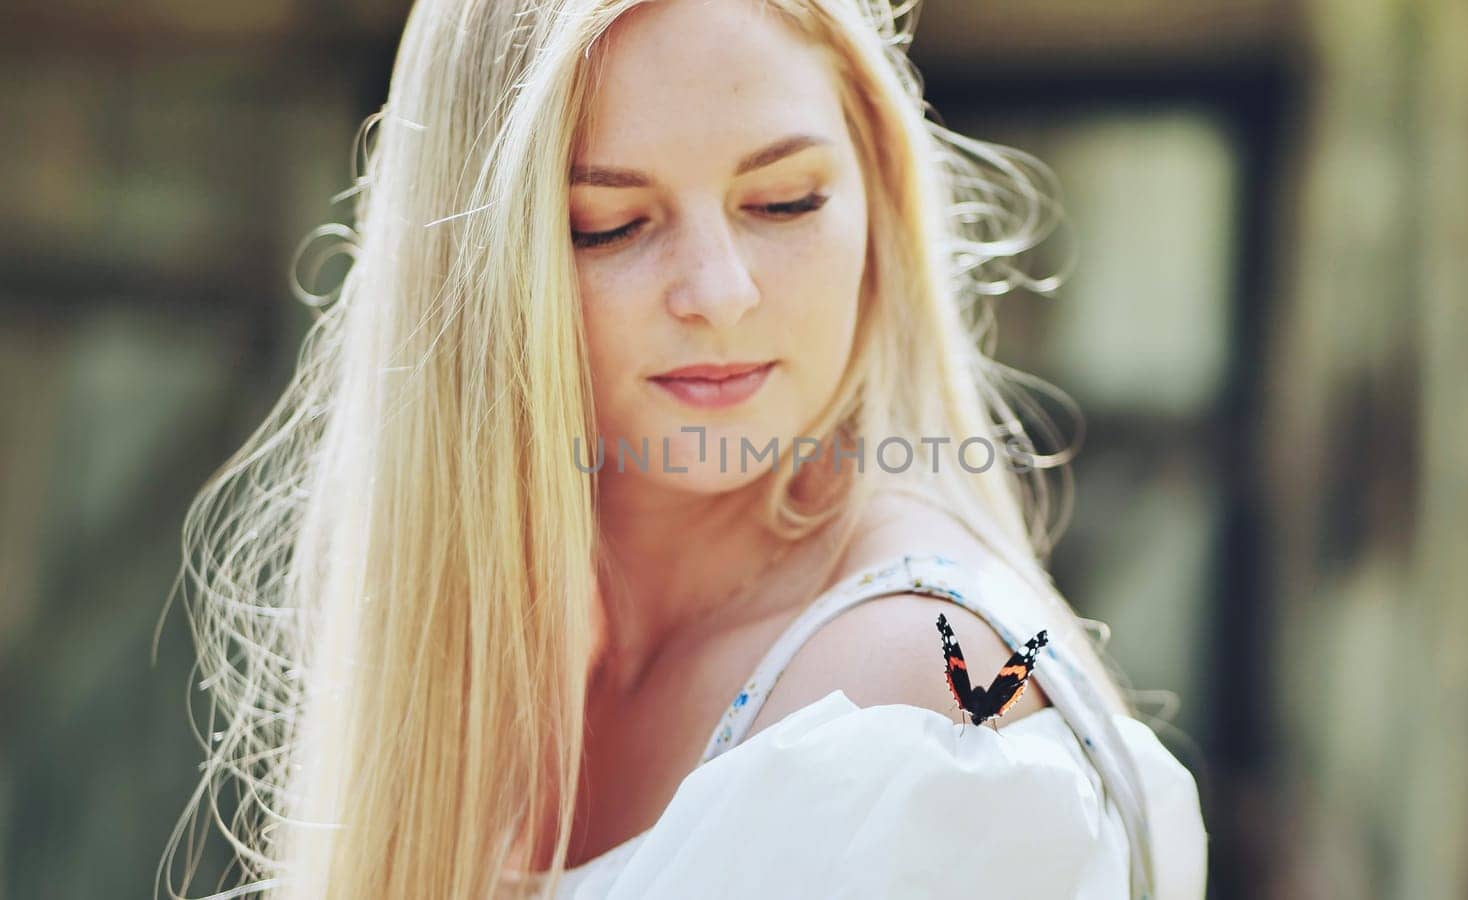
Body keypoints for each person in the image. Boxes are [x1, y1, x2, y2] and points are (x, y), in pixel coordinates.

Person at [158, 0, 1207, 898]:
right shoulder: (499, 663)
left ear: (877, 196)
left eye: (783, 201)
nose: (719, 292)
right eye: (608, 223)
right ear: (471, 276)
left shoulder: (902, 708)